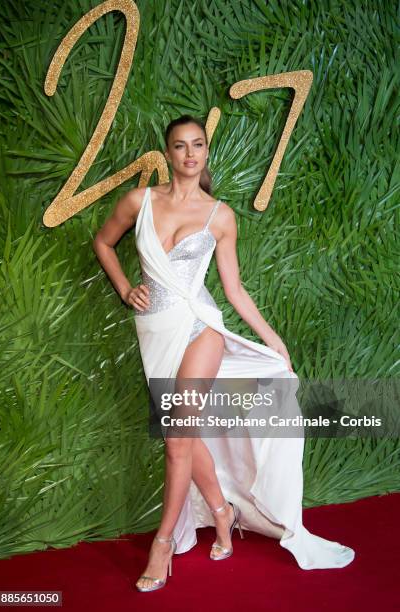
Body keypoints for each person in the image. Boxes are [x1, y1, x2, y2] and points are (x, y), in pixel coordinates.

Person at [93, 114, 355, 592]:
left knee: (176, 438)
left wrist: (271, 338)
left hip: (200, 329)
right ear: (167, 153)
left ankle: (163, 543)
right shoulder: (139, 201)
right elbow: (103, 242)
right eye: (179, 146)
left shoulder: (220, 215)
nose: (190, 154)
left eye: (198, 145)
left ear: (206, 152)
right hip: (154, 332)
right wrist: (125, 286)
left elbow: (233, 290)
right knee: (186, 440)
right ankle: (221, 512)